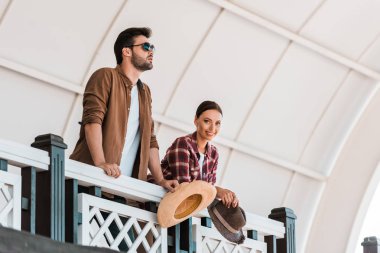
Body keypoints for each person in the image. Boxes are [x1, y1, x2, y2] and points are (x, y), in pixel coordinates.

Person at [70, 27, 178, 192]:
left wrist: (161, 180)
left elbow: (150, 140)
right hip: (90, 183)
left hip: (126, 190)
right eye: (146, 47)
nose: (151, 52)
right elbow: (93, 120)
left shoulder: (144, 92)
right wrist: (100, 163)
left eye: (152, 48)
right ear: (126, 51)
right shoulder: (105, 76)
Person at [152, 101, 239, 208]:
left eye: (217, 123)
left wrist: (226, 195)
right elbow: (185, 187)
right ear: (196, 120)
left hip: (185, 207)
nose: (212, 129)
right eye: (207, 121)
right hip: (158, 202)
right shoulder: (183, 143)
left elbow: (207, 189)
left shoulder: (214, 153)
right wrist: (217, 190)